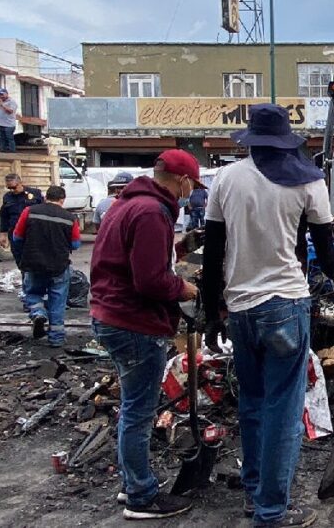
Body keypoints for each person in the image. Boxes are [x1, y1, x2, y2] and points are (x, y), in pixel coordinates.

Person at [202, 104, 334, 528]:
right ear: (286, 139)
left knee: (251, 403)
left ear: (250, 139)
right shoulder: (308, 180)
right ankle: (271, 512)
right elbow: (326, 254)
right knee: (284, 411)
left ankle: (255, 494)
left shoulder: (226, 179)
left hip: (240, 309)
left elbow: (212, 253)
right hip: (286, 304)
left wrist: (211, 313)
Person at [90, 149, 205, 520]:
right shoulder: (152, 213)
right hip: (134, 321)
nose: (191, 192)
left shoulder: (128, 205)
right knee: (140, 413)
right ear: (182, 180)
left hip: (111, 314)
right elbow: (150, 280)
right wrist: (185, 289)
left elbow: (137, 255)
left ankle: (132, 483)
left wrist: (181, 247)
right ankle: (141, 495)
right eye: (192, 185)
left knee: (132, 410)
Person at [11, 185, 80, 347]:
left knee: (33, 293)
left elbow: (17, 237)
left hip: (33, 263)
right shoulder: (70, 218)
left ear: (45, 197)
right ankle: (56, 338)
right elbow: (75, 244)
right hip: (59, 266)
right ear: (62, 200)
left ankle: (38, 312)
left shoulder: (29, 211)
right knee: (58, 301)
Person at [0, 174, 43, 266]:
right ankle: (25, 276)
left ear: (20, 183)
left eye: (14, 187)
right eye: (9, 188)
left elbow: (45, 210)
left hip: (32, 231)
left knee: (34, 258)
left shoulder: (35, 194)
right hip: (15, 232)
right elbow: (4, 216)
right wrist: (3, 234)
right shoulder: (7, 197)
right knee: (19, 258)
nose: (12, 190)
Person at [0, 88, 19, 152]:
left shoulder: (12, 101)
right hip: (1, 124)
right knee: (2, 138)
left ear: (6, 94)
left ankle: (12, 151)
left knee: (9, 138)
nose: (1, 96)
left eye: (2, 94)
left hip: (9, 124)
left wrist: (2, 105)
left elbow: (10, 111)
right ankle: (3, 151)